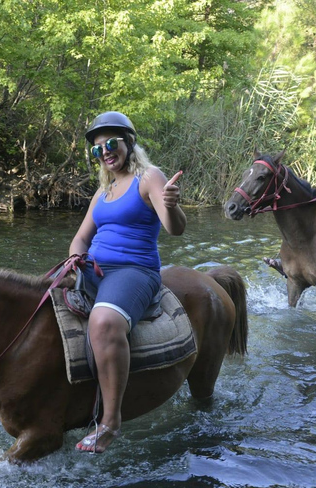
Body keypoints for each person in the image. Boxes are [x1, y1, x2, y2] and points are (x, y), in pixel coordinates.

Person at [69, 111, 186, 453]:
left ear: (128, 142)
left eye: (111, 144)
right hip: (91, 267)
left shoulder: (149, 177)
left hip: (134, 270)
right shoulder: (102, 192)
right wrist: (75, 260)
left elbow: (174, 229)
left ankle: (110, 422)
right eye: (97, 149)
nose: (104, 152)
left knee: (104, 322)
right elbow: (80, 238)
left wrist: (172, 205)